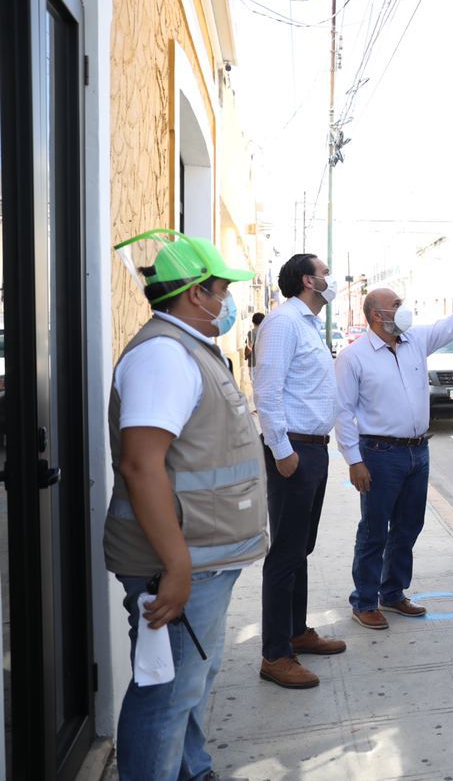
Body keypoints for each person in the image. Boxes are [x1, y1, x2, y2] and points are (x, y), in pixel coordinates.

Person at [106, 229, 268, 780]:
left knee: (190, 682)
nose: (228, 302)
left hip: (200, 561)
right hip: (179, 565)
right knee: (167, 695)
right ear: (196, 293)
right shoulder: (164, 357)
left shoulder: (188, 350)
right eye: (222, 290)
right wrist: (175, 567)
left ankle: (191, 771)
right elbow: (140, 466)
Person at [336, 270, 453, 629]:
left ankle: (393, 593)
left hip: (418, 452)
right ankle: (365, 600)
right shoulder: (354, 357)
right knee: (374, 530)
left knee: (409, 525)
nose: (403, 309)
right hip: (379, 454)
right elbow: (342, 411)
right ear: (376, 316)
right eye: (395, 304)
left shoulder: (416, 340)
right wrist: (354, 461)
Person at [253, 253, 346, 689]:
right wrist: (282, 450)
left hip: (314, 451)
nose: (331, 280)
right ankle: (275, 654)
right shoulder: (283, 323)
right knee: (285, 554)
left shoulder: (307, 323)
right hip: (294, 452)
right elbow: (267, 391)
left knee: (300, 549)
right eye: (325, 274)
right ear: (308, 280)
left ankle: (296, 631)